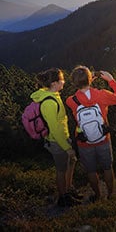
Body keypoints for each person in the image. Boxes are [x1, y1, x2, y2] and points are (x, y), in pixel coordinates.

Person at [66, 66, 116, 202]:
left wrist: (85, 80)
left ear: (74, 83)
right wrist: (111, 81)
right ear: (90, 80)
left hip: (84, 142)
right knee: (107, 167)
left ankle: (97, 195)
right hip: (103, 138)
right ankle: (111, 194)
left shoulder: (71, 101)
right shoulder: (102, 95)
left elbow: (79, 94)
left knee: (91, 171)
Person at [31, 68, 81, 207]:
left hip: (63, 138)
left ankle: (68, 189)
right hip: (57, 141)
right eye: (61, 80)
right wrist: (67, 147)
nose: (64, 82)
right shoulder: (49, 103)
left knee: (71, 161)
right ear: (54, 83)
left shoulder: (54, 95)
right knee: (61, 170)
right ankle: (63, 198)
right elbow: (54, 128)